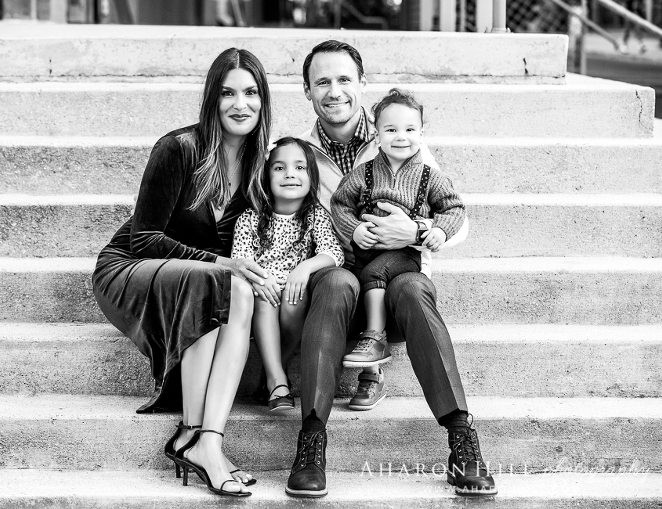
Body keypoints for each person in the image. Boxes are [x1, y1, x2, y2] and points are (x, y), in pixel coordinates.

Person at [281, 40, 497, 498]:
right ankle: (311, 442)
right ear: (307, 90)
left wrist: (415, 231)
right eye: (323, 81)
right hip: (337, 288)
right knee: (335, 282)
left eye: (344, 79)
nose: (335, 91)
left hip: (398, 284)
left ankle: (462, 440)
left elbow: (457, 220)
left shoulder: (402, 137)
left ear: (362, 84)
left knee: (414, 289)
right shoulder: (298, 153)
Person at [92, 47, 272, 498]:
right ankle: (192, 432)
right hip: (130, 269)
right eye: (227, 93)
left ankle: (206, 440)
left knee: (237, 291)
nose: (240, 104)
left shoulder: (260, 165)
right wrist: (222, 263)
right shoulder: (179, 148)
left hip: (200, 281)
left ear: (263, 100)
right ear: (212, 99)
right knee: (214, 281)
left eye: (250, 93)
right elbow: (143, 238)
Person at [331, 88, 466, 411]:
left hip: (406, 256)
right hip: (365, 252)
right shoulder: (364, 173)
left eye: (409, 129)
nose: (401, 137)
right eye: (391, 130)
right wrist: (355, 229)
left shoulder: (429, 176)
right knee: (360, 275)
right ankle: (370, 370)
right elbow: (340, 204)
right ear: (376, 134)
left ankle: (375, 337)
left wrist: (436, 231)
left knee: (375, 272)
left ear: (422, 133)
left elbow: (454, 208)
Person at [231, 137, 344, 412]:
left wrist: (304, 268)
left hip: (295, 292)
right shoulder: (250, 217)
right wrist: (261, 278)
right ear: (266, 176)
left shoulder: (316, 215)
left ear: (311, 176)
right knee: (265, 298)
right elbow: (240, 258)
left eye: (299, 167)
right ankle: (278, 381)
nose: (290, 174)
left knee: (296, 296)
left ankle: (273, 373)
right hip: (262, 289)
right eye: (279, 168)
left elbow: (334, 253)